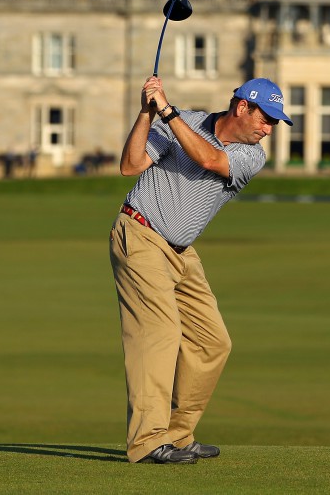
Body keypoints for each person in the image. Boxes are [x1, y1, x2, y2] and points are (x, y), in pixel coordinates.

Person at [109, 75, 292, 464]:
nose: (269, 129)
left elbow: (209, 159)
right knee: (159, 332)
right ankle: (146, 441)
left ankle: (176, 436)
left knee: (213, 341)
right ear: (242, 106)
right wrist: (147, 114)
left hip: (181, 252)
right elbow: (130, 165)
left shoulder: (251, 156)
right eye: (266, 118)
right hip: (140, 234)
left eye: (275, 123)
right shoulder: (185, 122)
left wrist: (167, 111)